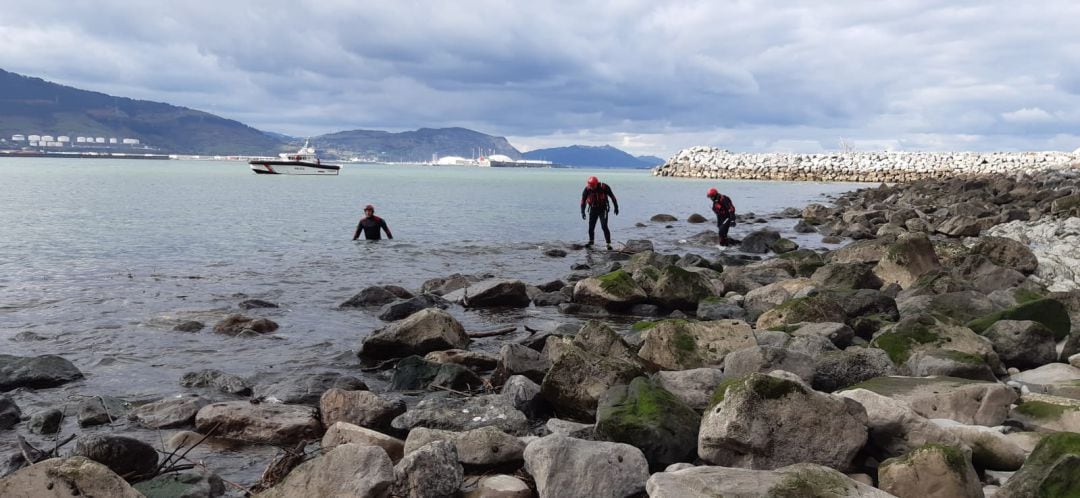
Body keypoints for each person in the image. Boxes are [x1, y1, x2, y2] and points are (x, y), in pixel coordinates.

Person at [580, 176, 619, 249]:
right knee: (591, 227)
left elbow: (612, 197)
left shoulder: (604, 187)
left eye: (592, 186)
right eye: (590, 186)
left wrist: (616, 207)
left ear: (596, 184)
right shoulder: (587, 189)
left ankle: (608, 244)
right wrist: (582, 212)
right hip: (593, 209)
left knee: (604, 226)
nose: (591, 187)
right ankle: (591, 241)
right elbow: (583, 201)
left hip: (603, 209)